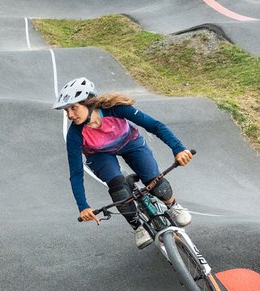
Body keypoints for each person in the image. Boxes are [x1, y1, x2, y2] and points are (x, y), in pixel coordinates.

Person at [55, 77, 194, 249]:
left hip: (130, 143)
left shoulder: (116, 109)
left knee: (155, 183)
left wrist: (178, 149)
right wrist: (83, 206)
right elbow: (76, 173)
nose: (69, 115)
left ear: (89, 103)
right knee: (119, 189)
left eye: (73, 108)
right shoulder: (75, 135)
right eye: (66, 110)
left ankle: (173, 206)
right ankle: (137, 227)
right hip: (100, 155)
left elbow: (155, 126)